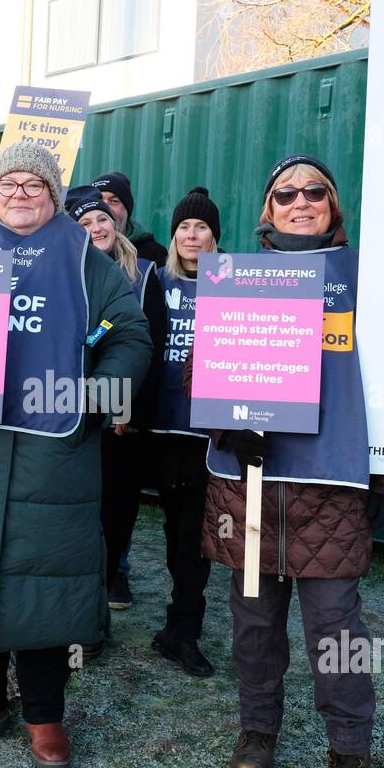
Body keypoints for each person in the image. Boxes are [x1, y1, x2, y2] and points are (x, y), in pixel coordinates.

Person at [0, 142, 151, 768]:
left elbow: (129, 334)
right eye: (8, 182)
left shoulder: (84, 257)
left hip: (53, 446)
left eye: (34, 183)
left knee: (43, 583)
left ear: (52, 192)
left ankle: (46, 716)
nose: (21, 192)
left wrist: (99, 397)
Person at [188, 153, 384, 768]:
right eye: (286, 193)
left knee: (334, 631)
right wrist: (232, 430)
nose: (301, 201)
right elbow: (208, 368)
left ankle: (349, 762)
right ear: (268, 209)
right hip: (249, 488)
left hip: (332, 488)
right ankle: (257, 733)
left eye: (316, 191)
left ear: (333, 205)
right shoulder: (233, 278)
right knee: (254, 626)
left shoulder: (365, 278)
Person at [63, 186, 167, 614]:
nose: (96, 227)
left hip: (121, 413)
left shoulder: (143, 273)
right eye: (84, 223)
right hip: (72, 408)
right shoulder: (66, 273)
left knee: (118, 501)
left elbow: (150, 346)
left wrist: (122, 407)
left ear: (116, 223)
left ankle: (112, 574)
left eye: (101, 219)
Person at [141, 187, 220, 677]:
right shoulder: (156, 278)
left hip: (206, 431)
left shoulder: (232, 283)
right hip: (160, 424)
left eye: (201, 227)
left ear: (215, 236)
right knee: (169, 530)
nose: (192, 235)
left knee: (194, 535)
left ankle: (184, 629)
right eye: (184, 228)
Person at [92, 171, 168, 266]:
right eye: (98, 201)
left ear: (127, 210)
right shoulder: (77, 252)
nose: (106, 207)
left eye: (114, 201)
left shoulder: (153, 255)